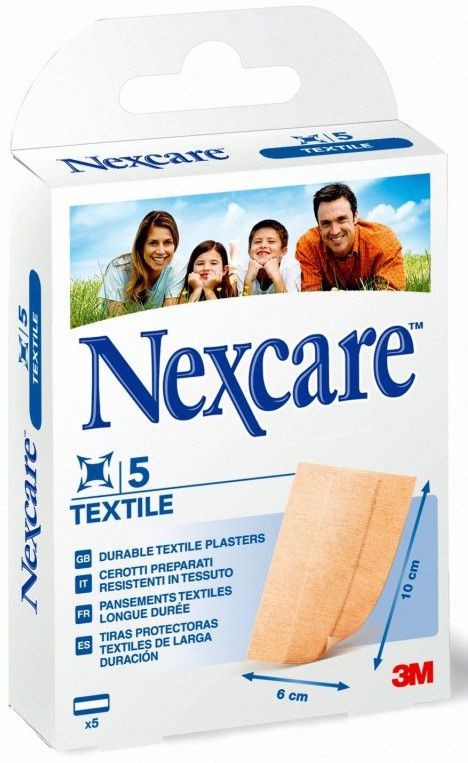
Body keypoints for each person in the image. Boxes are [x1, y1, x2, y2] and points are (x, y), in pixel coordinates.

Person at [295, 183, 406, 291]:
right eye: (326, 223)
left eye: (341, 219)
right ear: (318, 225)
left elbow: (391, 297)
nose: (335, 231)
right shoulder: (307, 246)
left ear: (355, 217)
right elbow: (310, 297)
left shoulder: (384, 242)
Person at [99, 210, 185, 316]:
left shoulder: (178, 265)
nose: (161, 251)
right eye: (153, 243)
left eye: (167, 242)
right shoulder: (118, 269)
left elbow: (169, 316)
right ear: (141, 245)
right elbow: (117, 320)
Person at [238, 219, 300, 296]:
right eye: (257, 242)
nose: (263, 245)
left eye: (271, 241)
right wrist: (248, 280)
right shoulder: (244, 267)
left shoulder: (291, 266)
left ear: (283, 251)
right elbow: (243, 303)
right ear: (249, 252)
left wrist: (276, 277)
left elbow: (291, 302)